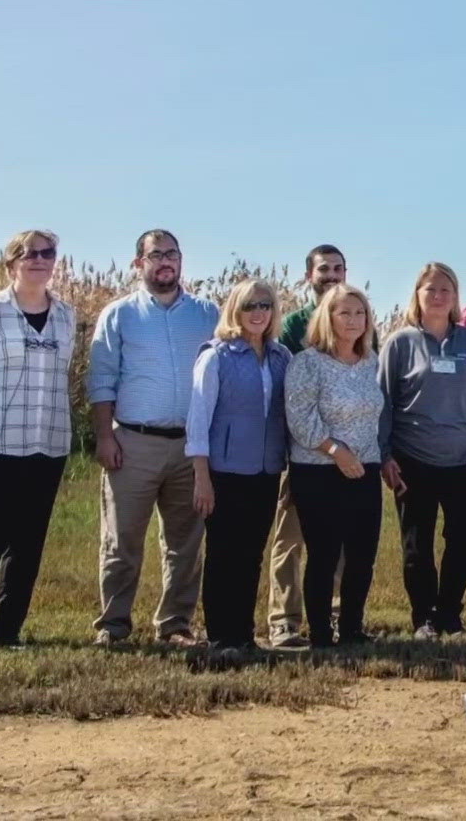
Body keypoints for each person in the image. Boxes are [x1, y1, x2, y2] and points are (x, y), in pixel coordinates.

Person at [87, 229, 220, 645]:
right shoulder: (119, 314)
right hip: (133, 442)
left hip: (191, 446)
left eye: (173, 254)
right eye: (156, 254)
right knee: (122, 539)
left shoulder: (207, 314)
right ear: (138, 263)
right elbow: (101, 379)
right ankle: (114, 624)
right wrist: (104, 437)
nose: (166, 261)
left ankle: (175, 624)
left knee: (185, 542)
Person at [380, 263, 466, 638]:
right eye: (430, 289)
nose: (438, 296)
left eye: (446, 289)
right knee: (417, 546)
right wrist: (384, 456)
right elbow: (382, 402)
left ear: (455, 297)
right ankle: (423, 618)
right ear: (417, 294)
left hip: (463, 462)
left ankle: (450, 614)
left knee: (462, 542)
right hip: (412, 461)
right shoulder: (400, 343)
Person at [0, 230, 76, 646]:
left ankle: (7, 632)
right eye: (29, 253)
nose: (39, 260)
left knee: (28, 542)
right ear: (12, 262)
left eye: (47, 253)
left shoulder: (67, 316)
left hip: (47, 442)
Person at [185, 279, 292, 652]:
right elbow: (198, 421)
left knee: (251, 555)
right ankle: (219, 635)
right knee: (223, 554)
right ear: (236, 310)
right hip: (224, 472)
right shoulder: (216, 357)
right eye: (250, 306)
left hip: (266, 472)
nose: (258, 313)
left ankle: (244, 635)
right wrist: (202, 477)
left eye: (265, 305)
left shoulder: (282, 358)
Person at [284, 283, 389, 646]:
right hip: (319, 470)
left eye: (360, 313)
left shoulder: (370, 362)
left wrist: (361, 457)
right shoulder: (307, 362)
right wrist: (335, 451)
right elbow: (300, 417)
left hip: (365, 468)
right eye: (344, 312)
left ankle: (352, 629)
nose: (353, 320)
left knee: (362, 554)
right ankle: (320, 633)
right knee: (325, 554)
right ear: (327, 317)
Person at [267, 243, 351, 647]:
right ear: (309, 277)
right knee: (291, 538)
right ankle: (284, 619)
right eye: (323, 269)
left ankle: (333, 613)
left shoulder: (356, 324)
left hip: (349, 455)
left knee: (339, 542)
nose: (331, 275)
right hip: (300, 451)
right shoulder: (293, 327)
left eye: (337, 268)